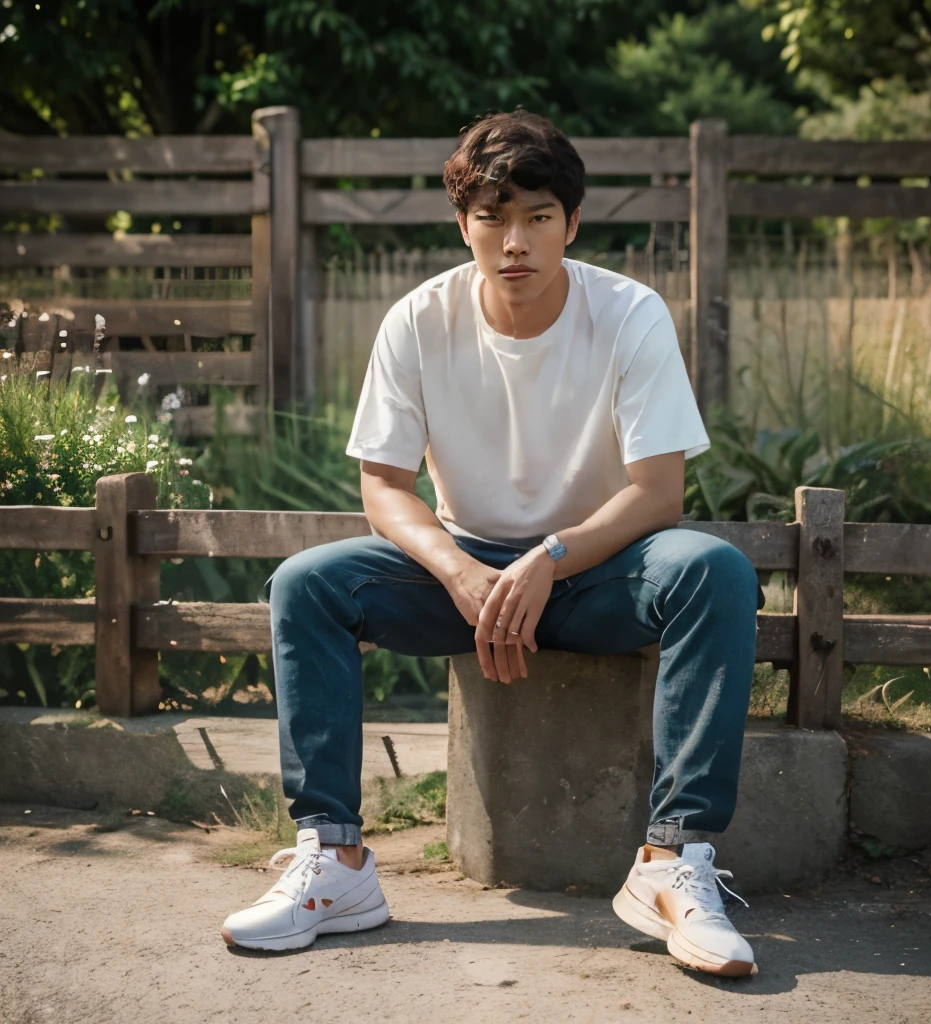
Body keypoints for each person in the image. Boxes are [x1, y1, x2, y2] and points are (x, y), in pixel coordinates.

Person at [221, 109, 763, 977]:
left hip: (595, 573)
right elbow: (383, 487)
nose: (515, 240)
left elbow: (660, 493)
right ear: (462, 223)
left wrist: (549, 560)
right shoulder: (418, 319)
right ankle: (337, 861)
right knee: (306, 584)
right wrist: (462, 572)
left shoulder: (629, 314)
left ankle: (673, 863)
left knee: (716, 572)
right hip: (458, 574)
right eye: (492, 217)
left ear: (572, 223)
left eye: (538, 217)